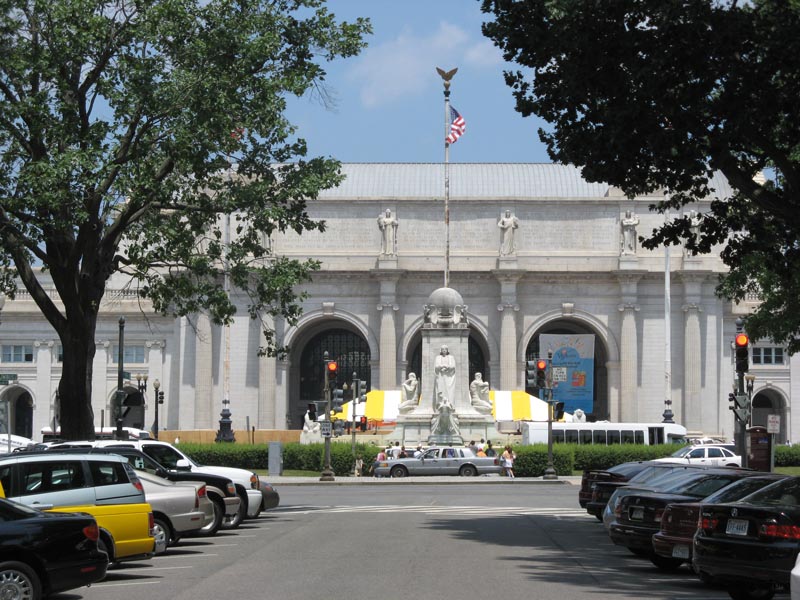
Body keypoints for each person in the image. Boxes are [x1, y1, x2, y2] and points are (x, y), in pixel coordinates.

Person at [433, 345, 456, 409]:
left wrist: (446, 367)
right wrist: (441, 366)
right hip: (440, 376)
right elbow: (436, 366)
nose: (444, 350)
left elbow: (453, 366)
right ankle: (440, 403)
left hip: (449, 377)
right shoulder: (438, 357)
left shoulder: (451, 357)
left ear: (447, 350)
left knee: (449, 391)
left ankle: (450, 404)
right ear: (441, 350)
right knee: (441, 390)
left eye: (445, 349)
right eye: (443, 349)